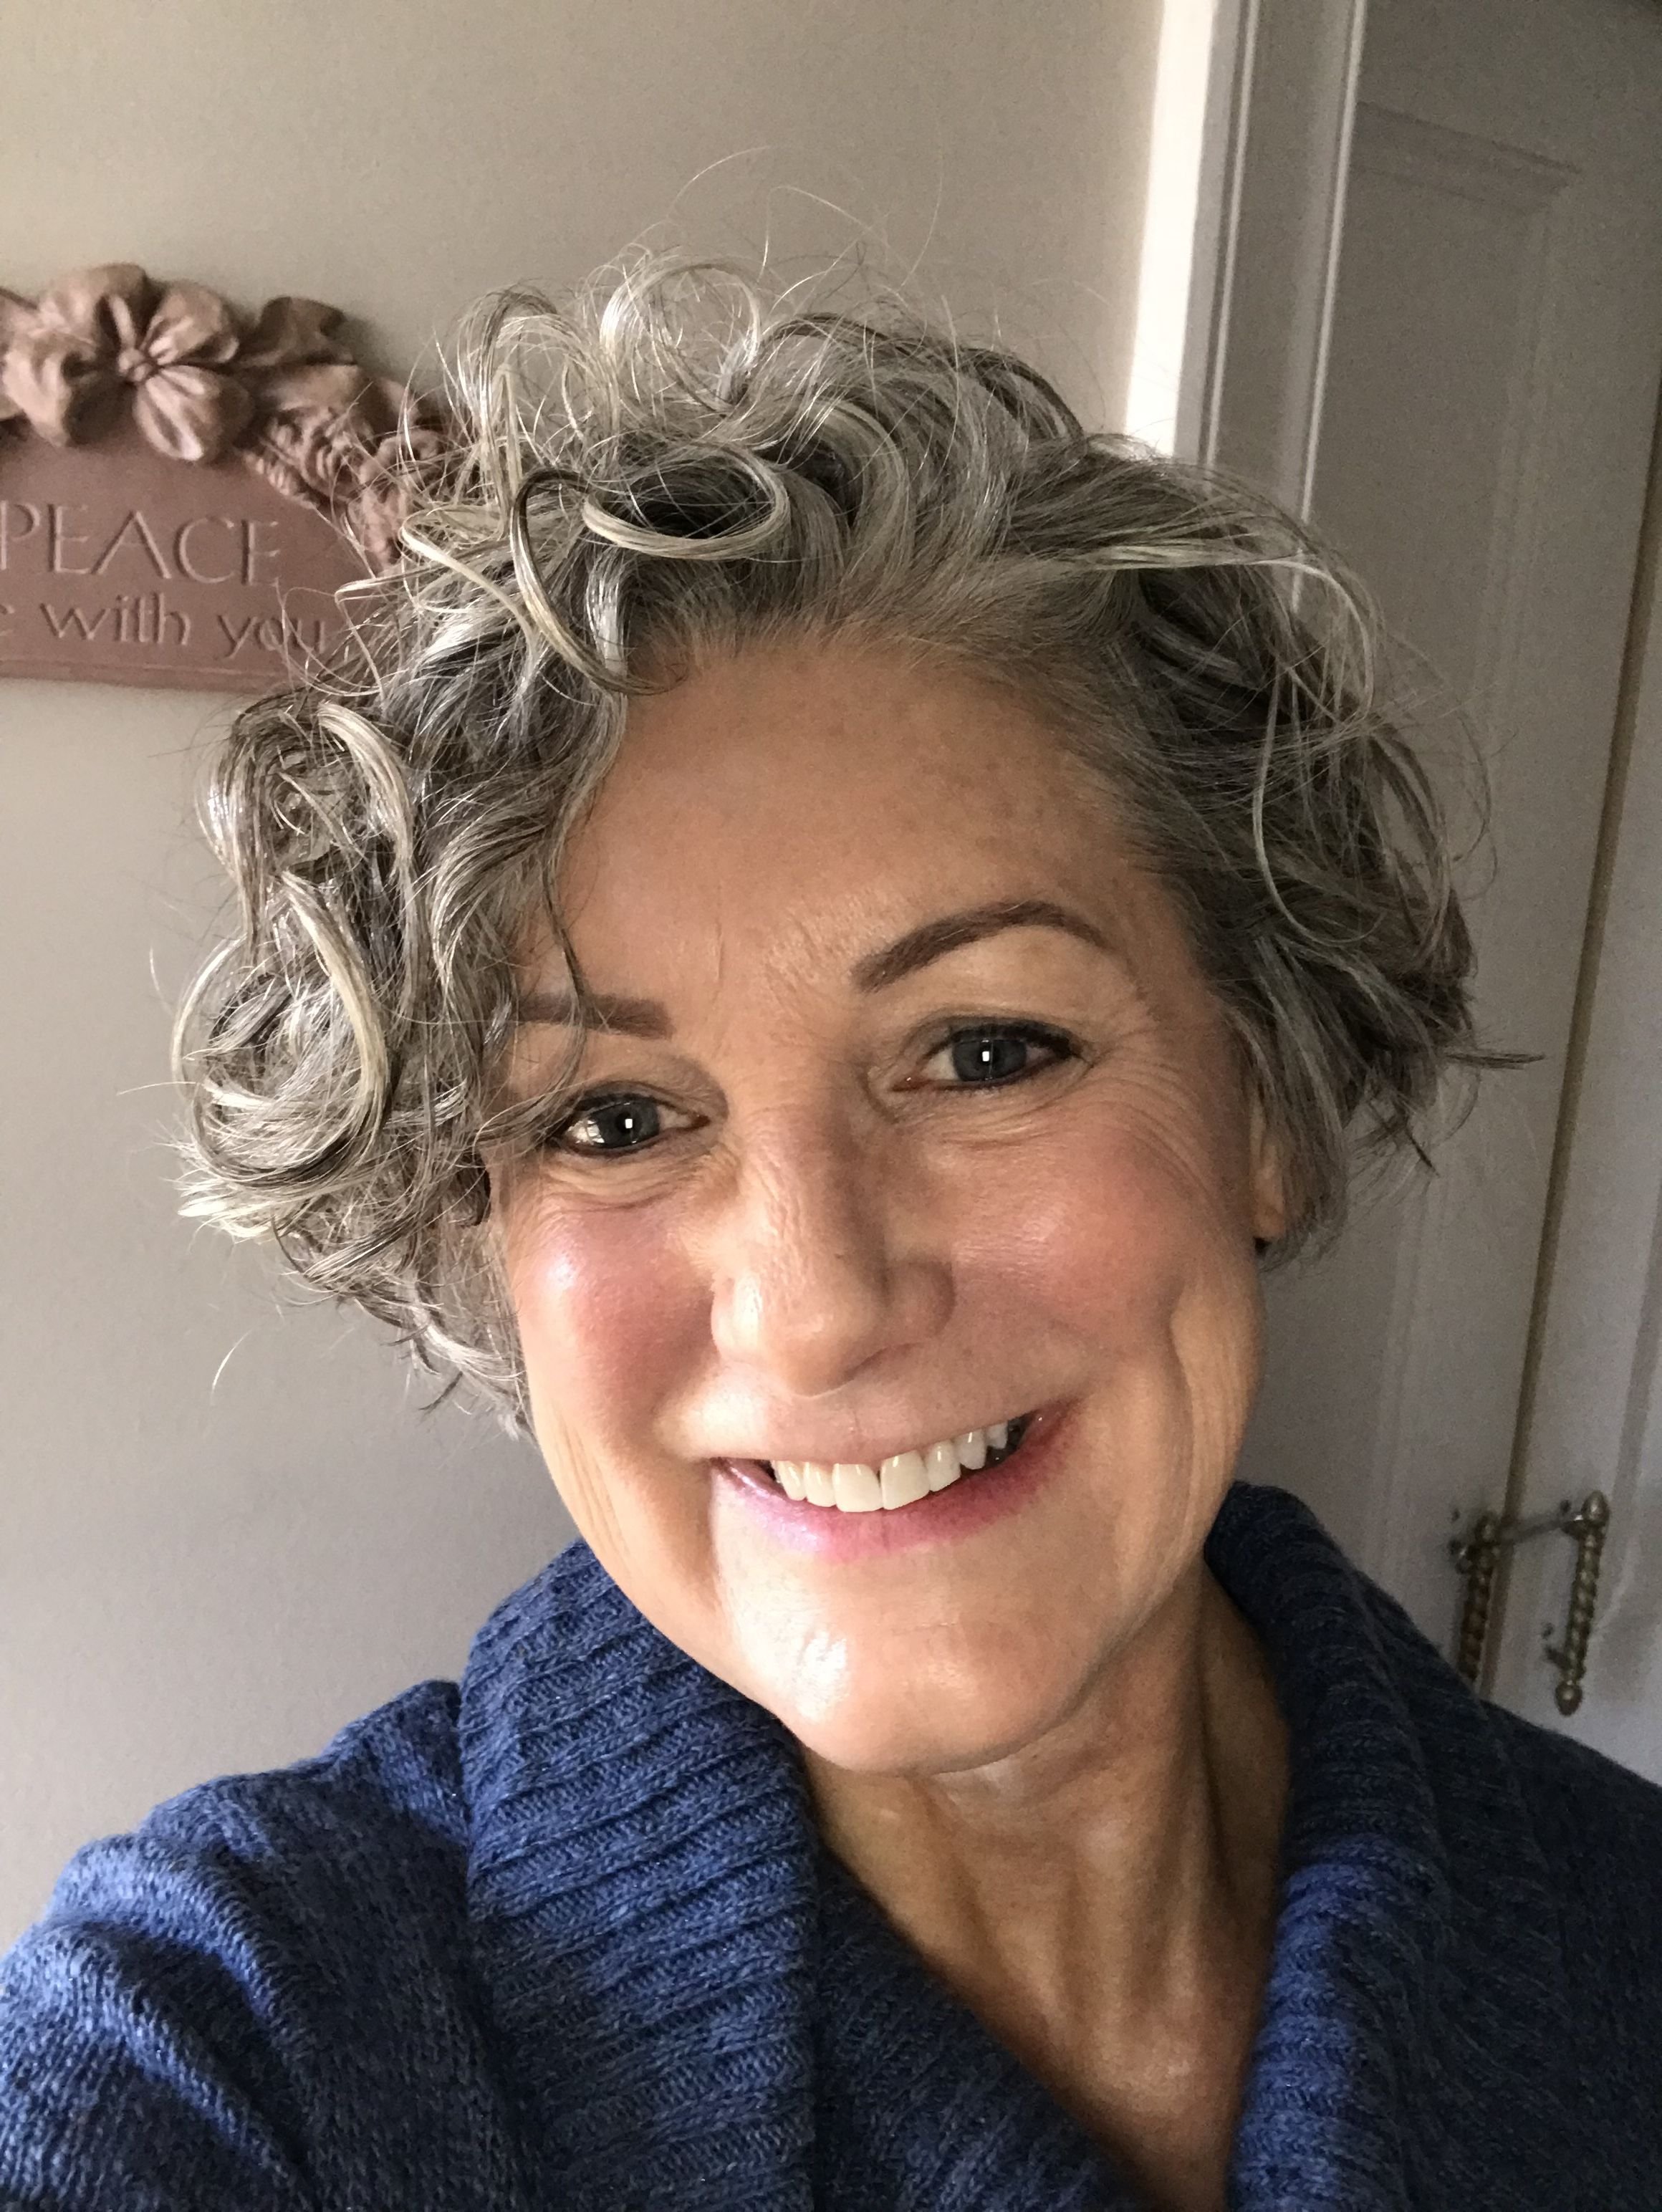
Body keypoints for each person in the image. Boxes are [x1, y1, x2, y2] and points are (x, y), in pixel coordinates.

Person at [2, 258, 1659, 2212]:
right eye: (615, 1120)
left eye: (986, 1052)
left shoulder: (1622, 1939)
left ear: (1268, 1104)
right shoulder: (229, 2039)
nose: (817, 1307)